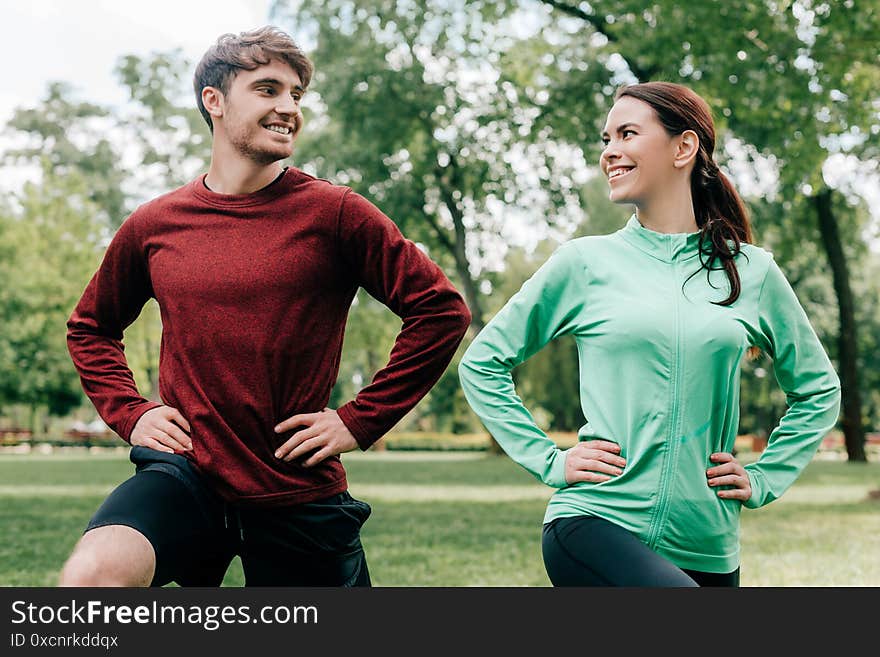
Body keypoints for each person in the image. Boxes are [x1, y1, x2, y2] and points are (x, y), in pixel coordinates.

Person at [60, 26, 471, 587]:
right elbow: (91, 328)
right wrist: (133, 413)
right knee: (92, 580)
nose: (289, 108)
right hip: (186, 475)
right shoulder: (155, 225)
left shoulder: (337, 214)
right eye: (269, 89)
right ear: (215, 100)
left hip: (296, 486)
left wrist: (358, 420)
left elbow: (441, 312)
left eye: (297, 95)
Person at [458, 82, 841, 587]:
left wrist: (765, 477)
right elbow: (481, 363)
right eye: (606, 138)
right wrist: (549, 459)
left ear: (684, 148)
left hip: (710, 547)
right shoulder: (584, 264)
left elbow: (818, 389)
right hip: (596, 522)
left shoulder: (752, 272)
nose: (609, 151)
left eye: (627, 133)